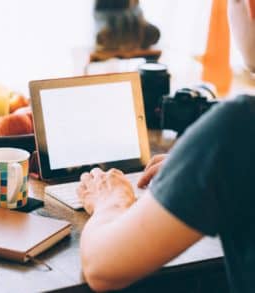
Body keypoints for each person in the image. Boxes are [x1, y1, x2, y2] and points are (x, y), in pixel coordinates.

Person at [77, 0, 255, 292]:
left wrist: (112, 200)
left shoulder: (238, 126)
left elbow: (101, 268)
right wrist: (194, 164)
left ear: (249, 7)